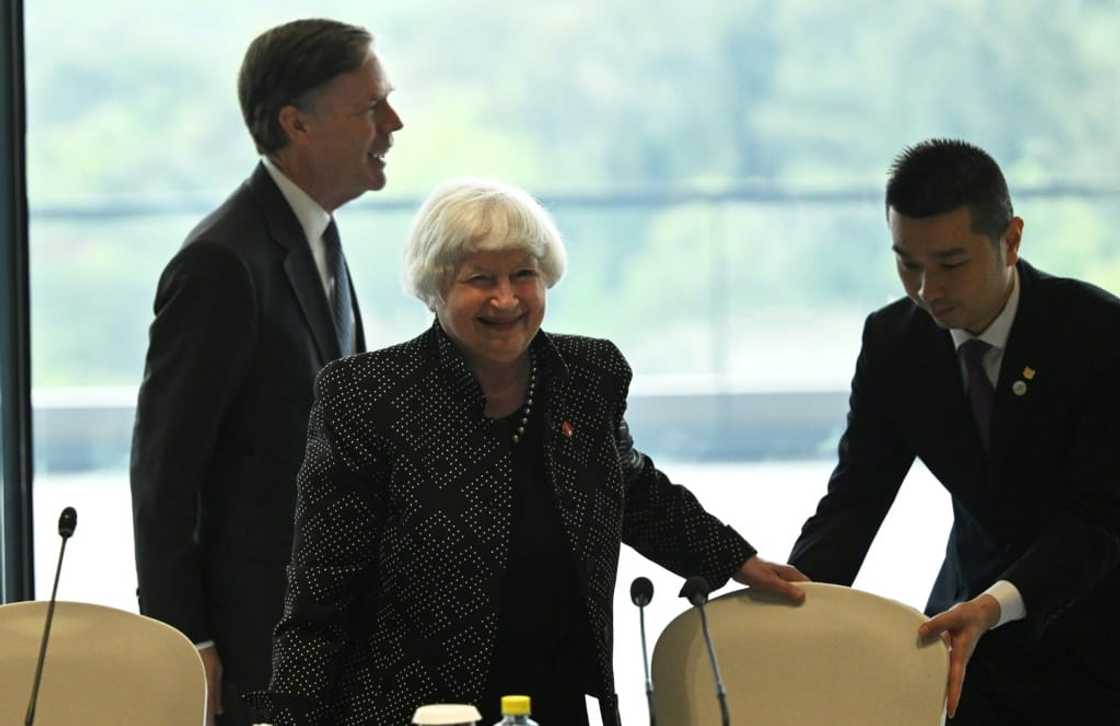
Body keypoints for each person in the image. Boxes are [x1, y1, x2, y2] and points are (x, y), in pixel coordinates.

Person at [247, 179, 806, 726]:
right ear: (435, 286)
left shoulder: (589, 376)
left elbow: (631, 487)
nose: (506, 298)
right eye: (479, 279)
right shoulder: (368, 395)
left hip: (555, 696)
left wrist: (735, 559)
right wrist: (291, 716)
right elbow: (322, 586)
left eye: (523, 274)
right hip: (417, 711)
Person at [789, 139, 1120, 723]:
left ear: (1011, 239)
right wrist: (794, 603)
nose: (926, 290)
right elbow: (855, 499)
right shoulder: (895, 343)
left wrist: (997, 604)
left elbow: (1097, 516)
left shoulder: (1096, 333)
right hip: (967, 635)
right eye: (907, 263)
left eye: (950, 264)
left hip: (1094, 622)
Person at [130, 18, 403, 726]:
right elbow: (165, 475)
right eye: (371, 107)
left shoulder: (321, 235)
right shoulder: (222, 263)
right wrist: (187, 640)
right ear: (296, 124)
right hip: (253, 654)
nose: (395, 123)